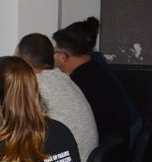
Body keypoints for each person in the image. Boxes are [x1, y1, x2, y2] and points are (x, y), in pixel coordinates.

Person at [0, 33, 98, 162]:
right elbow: (29, 124)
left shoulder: (34, 85)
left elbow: (25, 131)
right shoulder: (63, 79)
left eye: (15, 60)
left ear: (23, 63)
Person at [52, 17, 131, 149]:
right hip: (115, 150)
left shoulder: (80, 84)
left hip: (104, 155)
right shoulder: (94, 69)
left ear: (62, 57)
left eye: (53, 51)